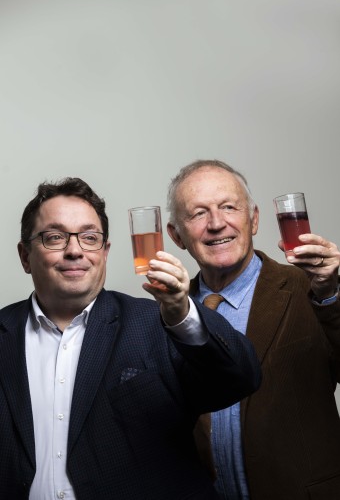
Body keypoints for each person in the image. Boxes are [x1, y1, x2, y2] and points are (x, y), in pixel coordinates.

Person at [0, 177, 261, 500]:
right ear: (25, 256)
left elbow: (240, 377)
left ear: (105, 252)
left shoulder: (158, 323)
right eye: (54, 237)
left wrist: (183, 314)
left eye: (89, 237)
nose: (74, 250)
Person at [166, 159, 340, 500]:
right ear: (177, 235)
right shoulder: (170, 313)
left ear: (254, 219)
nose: (217, 223)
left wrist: (331, 296)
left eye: (229, 207)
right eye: (198, 213)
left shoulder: (310, 288)